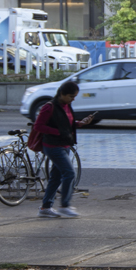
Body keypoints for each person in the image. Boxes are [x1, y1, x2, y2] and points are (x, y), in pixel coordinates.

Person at [33, 81, 95, 218]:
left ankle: (45, 208)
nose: (73, 99)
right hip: (53, 146)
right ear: (62, 94)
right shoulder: (49, 107)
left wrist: (80, 123)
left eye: (75, 97)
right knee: (69, 173)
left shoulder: (66, 105)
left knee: (56, 177)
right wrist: (57, 132)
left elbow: (68, 124)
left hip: (64, 145)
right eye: (71, 96)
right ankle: (64, 205)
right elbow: (38, 126)